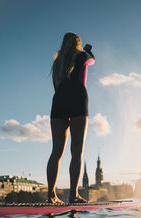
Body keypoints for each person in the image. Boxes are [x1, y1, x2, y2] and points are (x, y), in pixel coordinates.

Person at [47, 32, 95, 204]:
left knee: (56, 151)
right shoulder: (82, 55)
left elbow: (56, 85)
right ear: (78, 44)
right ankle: (73, 195)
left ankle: (51, 195)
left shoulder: (57, 63)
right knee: (76, 151)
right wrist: (87, 50)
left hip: (59, 100)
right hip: (78, 100)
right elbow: (92, 60)